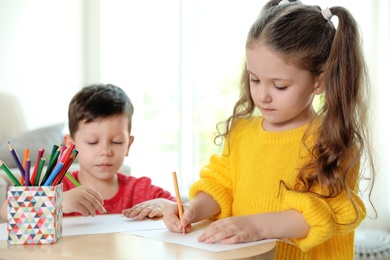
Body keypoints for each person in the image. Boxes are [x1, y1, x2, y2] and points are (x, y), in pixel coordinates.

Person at [162, 0, 376, 259]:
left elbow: (326, 212)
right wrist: (193, 208)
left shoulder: (332, 140)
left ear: (319, 81)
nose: (262, 96)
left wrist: (255, 226)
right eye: (254, 79)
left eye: (280, 86)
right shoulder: (242, 132)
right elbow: (221, 186)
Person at [0, 83, 176, 221]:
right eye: (93, 142)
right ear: (71, 146)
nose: (105, 151)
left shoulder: (139, 190)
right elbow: (6, 210)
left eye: (116, 142)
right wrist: (58, 201)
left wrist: (163, 204)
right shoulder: (55, 186)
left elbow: (181, 210)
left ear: (128, 145)